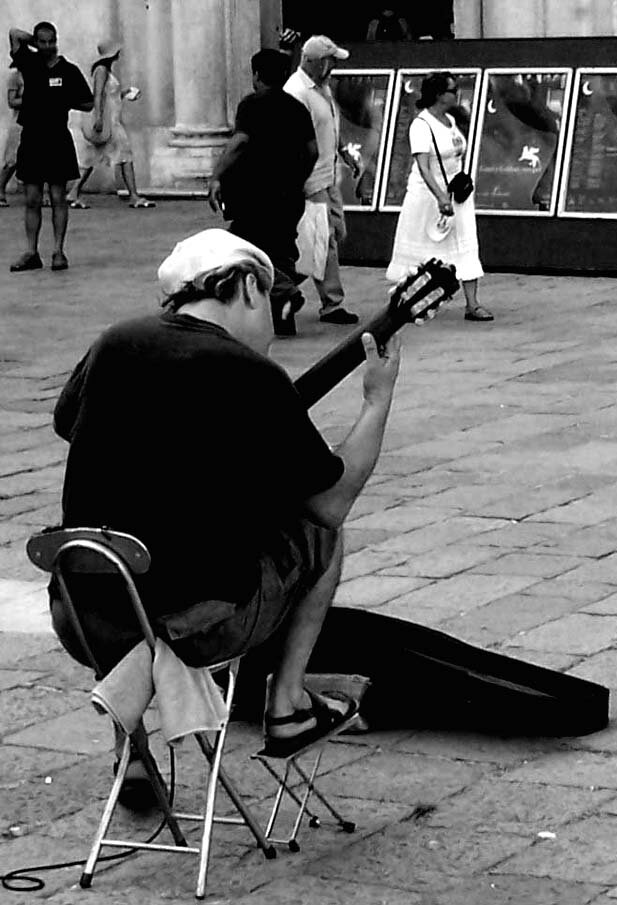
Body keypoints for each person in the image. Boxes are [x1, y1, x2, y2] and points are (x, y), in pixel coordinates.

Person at [49, 229, 407, 773]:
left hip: (81, 616)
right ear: (244, 287)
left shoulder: (113, 342)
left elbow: (66, 423)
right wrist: (376, 399)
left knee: (121, 543)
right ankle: (286, 705)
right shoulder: (248, 371)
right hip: (198, 624)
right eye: (271, 299)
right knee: (321, 537)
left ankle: (134, 742)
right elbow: (330, 503)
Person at [209, 49, 318, 337]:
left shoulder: (251, 105)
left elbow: (239, 142)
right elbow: (312, 151)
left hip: (254, 192)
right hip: (288, 193)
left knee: (242, 245)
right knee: (281, 250)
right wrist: (298, 177)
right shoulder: (296, 107)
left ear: (256, 75)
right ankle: (280, 320)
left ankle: (284, 289)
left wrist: (216, 176)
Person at [386, 71, 493, 322]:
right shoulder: (421, 125)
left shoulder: (449, 120)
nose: (456, 94)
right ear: (438, 95)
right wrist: (439, 197)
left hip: (457, 193)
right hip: (428, 196)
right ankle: (406, 301)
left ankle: (472, 303)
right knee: (420, 250)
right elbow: (423, 167)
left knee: (466, 242)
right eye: (452, 90)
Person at [283, 35, 360, 325]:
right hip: (312, 178)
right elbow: (297, 139)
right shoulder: (297, 91)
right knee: (321, 240)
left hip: (329, 174)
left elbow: (327, 126)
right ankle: (328, 301)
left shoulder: (322, 89)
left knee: (332, 234)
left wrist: (343, 151)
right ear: (314, 62)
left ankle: (284, 287)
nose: (333, 68)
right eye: (330, 61)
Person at [8, 22, 93, 272]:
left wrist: (64, 100)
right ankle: (31, 252)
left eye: (51, 41)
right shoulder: (30, 63)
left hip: (57, 138)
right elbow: (14, 34)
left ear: (57, 40)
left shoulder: (69, 70)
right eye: (42, 41)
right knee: (32, 198)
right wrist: (35, 44)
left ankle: (58, 251)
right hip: (32, 138)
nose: (47, 46)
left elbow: (87, 103)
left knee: (58, 197)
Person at [67, 39, 154, 210]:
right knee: (125, 156)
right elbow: (98, 95)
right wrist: (99, 118)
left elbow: (108, 96)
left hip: (110, 120)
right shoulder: (101, 71)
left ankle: (74, 191)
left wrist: (124, 94)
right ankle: (134, 195)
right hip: (110, 122)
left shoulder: (104, 70)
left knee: (92, 158)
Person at [0, 65, 23, 206]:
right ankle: (0, 189)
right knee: (13, 160)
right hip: (20, 123)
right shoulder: (16, 77)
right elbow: (12, 101)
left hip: (39, 122)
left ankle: (37, 195)